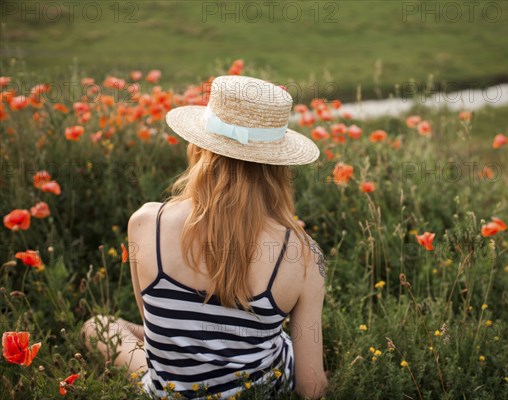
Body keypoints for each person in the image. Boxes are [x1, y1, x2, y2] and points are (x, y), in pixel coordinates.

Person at [82, 75, 328, 399]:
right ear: (277, 165)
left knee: (95, 326)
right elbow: (312, 389)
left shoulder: (145, 224)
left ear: (198, 146)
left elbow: (158, 334)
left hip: (170, 389)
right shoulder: (304, 255)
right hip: (257, 390)